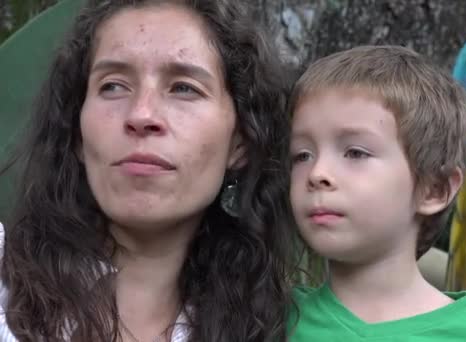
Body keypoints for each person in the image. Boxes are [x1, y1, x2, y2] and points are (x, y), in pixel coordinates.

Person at [0, 0, 295, 341]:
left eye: (184, 88)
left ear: (240, 142)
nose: (141, 115)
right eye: (112, 85)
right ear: (77, 132)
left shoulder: (276, 327)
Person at [287, 45, 466, 341]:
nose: (317, 174)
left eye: (355, 152)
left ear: (434, 189)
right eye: (302, 155)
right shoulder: (273, 318)